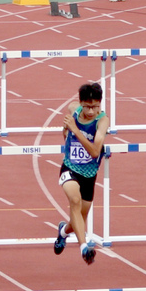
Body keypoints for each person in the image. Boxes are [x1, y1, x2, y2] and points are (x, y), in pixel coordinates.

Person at [53, 83, 109, 265]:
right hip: (69, 168)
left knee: (77, 221)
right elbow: (70, 110)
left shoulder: (102, 121)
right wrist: (65, 130)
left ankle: (62, 232)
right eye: (87, 107)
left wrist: (75, 130)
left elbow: (94, 152)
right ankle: (84, 248)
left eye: (95, 107)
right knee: (74, 201)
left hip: (90, 174)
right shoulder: (74, 110)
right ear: (81, 103)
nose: (91, 111)